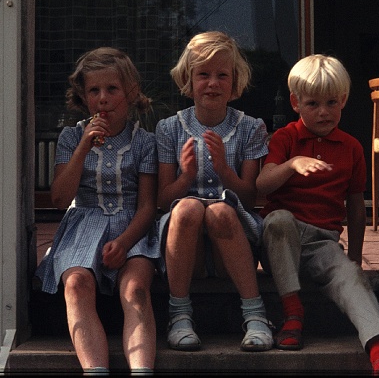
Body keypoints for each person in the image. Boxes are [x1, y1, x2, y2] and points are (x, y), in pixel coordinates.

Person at [256, 54, 379, 375]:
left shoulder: (350, 147)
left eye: (331, 102)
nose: (323, 112)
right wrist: (292, 165)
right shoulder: (286, 138)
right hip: (284, 238)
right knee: (277, 220)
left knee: (351, 278)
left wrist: (357, 258)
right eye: (312, 103)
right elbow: (262, 185)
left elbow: (356, 206)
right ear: (295, 103)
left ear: (344, 100)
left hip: (324, 241)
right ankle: (293, 314)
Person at [34, 47, 159, 374]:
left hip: (132, 227)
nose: (103, 98)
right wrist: (82, 149)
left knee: (135, 290)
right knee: (76, 284)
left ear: (130, 93)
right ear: (83, 96)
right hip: (83, 226)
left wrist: (126, 242)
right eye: (94, 91)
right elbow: (60, 199)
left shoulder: (144, 141)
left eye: (112, 89)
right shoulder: (71, 137)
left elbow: (148, 205)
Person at [155, 31, 274, 352]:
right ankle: (179, 315)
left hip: (231, 242)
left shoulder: (250, 127)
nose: (212, 83)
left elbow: (250, 198)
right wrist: (186, 179)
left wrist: (223, 169)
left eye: (222, 75)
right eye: (203, 74)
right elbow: (162, 199)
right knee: (187, 206)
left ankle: (256, 315)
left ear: (235, 83)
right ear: (188, 80)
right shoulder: (169, 129)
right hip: (185, 246)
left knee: (221, 209)